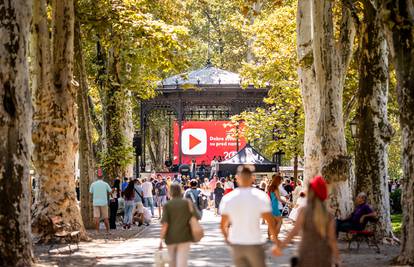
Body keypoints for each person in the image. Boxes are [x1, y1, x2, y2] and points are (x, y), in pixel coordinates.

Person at [220, 165, 278, 267]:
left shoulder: (228, 198)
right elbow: (270, 221)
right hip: (255, 243)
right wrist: (276, 241)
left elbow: (223, 225)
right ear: (253, 178)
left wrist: (227, 239)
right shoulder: (260, 196)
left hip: (237, 244)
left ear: (237, 178)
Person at [274, 176, 340, 267]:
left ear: (311, 192)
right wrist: (337, 259)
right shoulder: (329, 215)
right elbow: (332, 240)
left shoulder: (304, 211)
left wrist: (280, 247)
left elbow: (294, 232)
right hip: (324, 255)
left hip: (306, 253)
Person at [160, 183, 201, 267]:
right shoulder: (187, 203)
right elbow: (198, 216)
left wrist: (161, 239)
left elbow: (165, 224)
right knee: (182, 262)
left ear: (170, 192)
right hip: (185, 237)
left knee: (172, 262)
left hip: (170, 238)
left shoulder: (168, 205)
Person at [267, 174, 288, 239]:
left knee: (271, 222)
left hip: (270, 206)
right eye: (280, 181)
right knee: (279, 221)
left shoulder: (270, 187)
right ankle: (275, 235)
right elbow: (279, 198)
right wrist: (288, 203)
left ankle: (269, 236)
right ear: (278, 181)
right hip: (275, 206)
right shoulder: (276, 188)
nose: (281, 182)